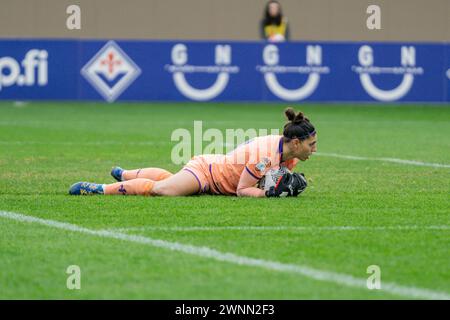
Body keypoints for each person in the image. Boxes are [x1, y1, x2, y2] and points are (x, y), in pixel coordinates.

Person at [69, 108, 317, 198]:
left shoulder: (289, 155)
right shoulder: (265, 155)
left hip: (213, 169)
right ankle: (98, 189)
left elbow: (273, 179)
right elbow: (243, 191)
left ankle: (125, 174)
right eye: (311, 144)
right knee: (162, 190)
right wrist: (270, 195)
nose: (314, 149)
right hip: (207, 174)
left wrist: (284, 186)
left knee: (169, 180)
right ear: (296, 142)